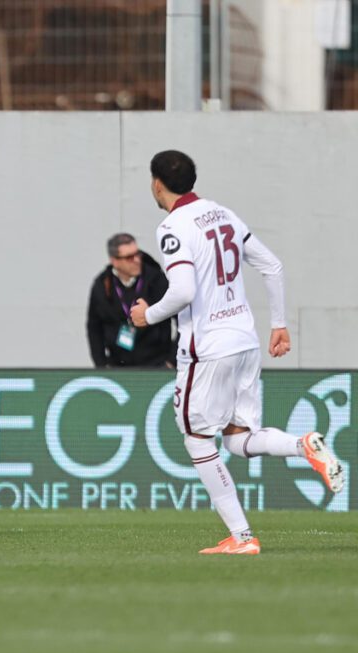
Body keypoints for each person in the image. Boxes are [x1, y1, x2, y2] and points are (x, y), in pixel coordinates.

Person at [130, 150, 344, 555]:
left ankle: (242, 537)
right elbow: (272, 265)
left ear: (157, 184)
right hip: (244, 340)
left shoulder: (173, 226)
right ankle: (303, 446)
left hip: (208, 347)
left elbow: (184, 291)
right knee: (237, 439)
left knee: (197, 439)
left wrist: (148, 315)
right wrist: (278, 324)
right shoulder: (223, 213)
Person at [87, 233, 176, 368]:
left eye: (137, 254)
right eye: (129, 257)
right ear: (114, 261)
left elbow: (182, 319)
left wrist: (171, 361)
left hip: (157, 364)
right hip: (118, 366)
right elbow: (94, 327)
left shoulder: (156, 279)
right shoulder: (102, 285)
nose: (137, 260)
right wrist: (101, 365)